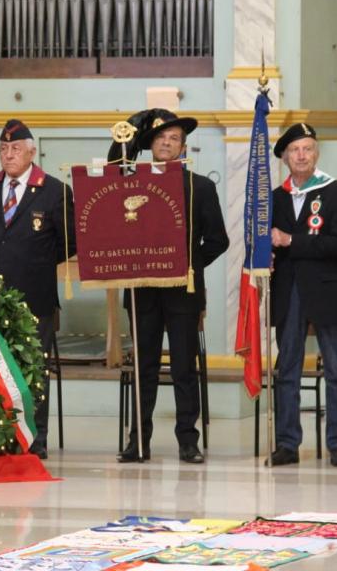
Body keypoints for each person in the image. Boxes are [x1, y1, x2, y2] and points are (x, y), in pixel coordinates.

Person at [117, 110, 229, 465]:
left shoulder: (201, 187)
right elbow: (112, 161)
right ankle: (139, 441)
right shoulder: (128, 182)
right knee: (144, 367)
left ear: (184, 146)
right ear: (149, 143)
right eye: (160, 136)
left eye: (174, 138)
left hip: (183, 290)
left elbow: (218, 240)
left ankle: (187, 441)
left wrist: (188, 263)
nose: (167, 142)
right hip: (142, 290)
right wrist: (134, 126)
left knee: (184, 367)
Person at [0, 119, 75, 460]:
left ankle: (36, 438)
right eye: (4, 149)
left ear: (32, 152)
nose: (8, 155)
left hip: (35, 295)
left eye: (16, 149)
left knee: (35, 368)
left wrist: (37, 259)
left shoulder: (54, 191)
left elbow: (70, 242)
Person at [268, 123, 337, 468]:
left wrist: (291, 241)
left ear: (316, 153)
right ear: (286, 157)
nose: (301, 155)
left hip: (326, 292)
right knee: (287, 368)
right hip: (288, 292)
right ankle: (287, 443)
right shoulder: (275, 198)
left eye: (307, 149)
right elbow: (264, 242)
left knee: (336, 370)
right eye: (294, 150)